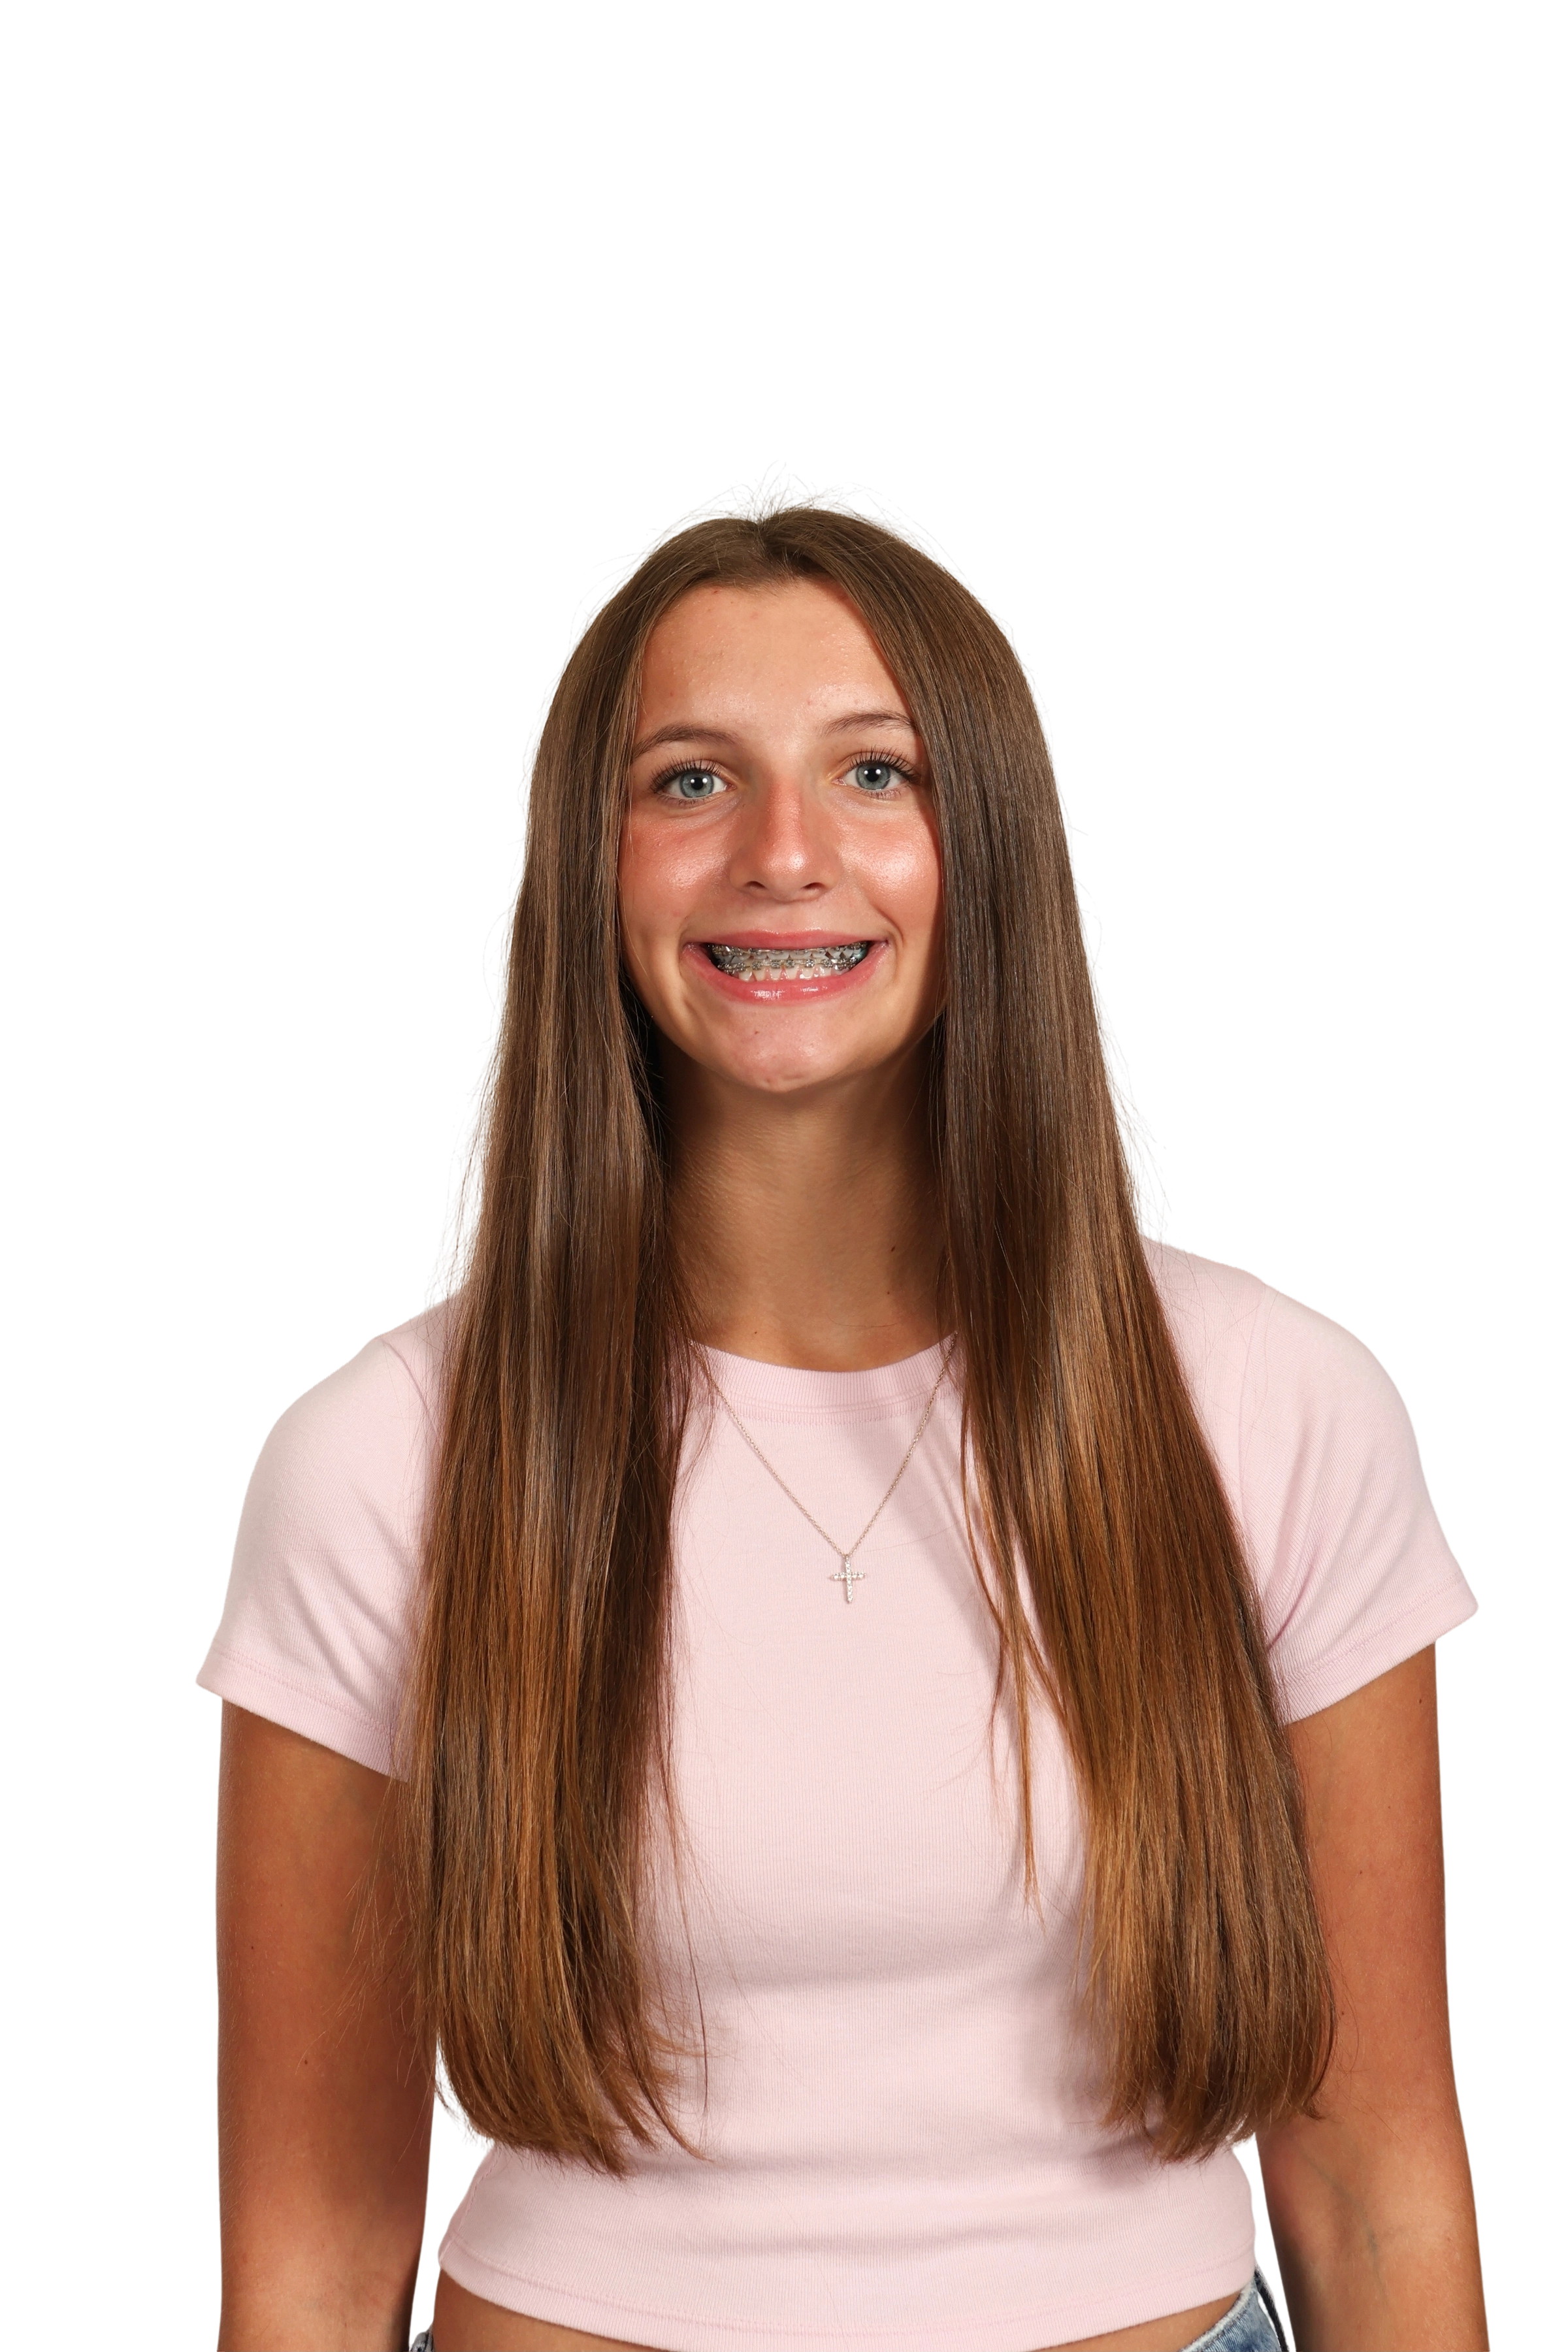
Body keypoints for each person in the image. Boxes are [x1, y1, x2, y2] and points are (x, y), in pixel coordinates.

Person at [197, 461, 1490, 2352]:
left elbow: (1375, 2183)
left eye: (878, 771)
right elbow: (314, 2244)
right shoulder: (383, 1464)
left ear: (993, 849)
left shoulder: (1272, 1412)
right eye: (690, 781)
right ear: (587, 869)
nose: (783, 853)